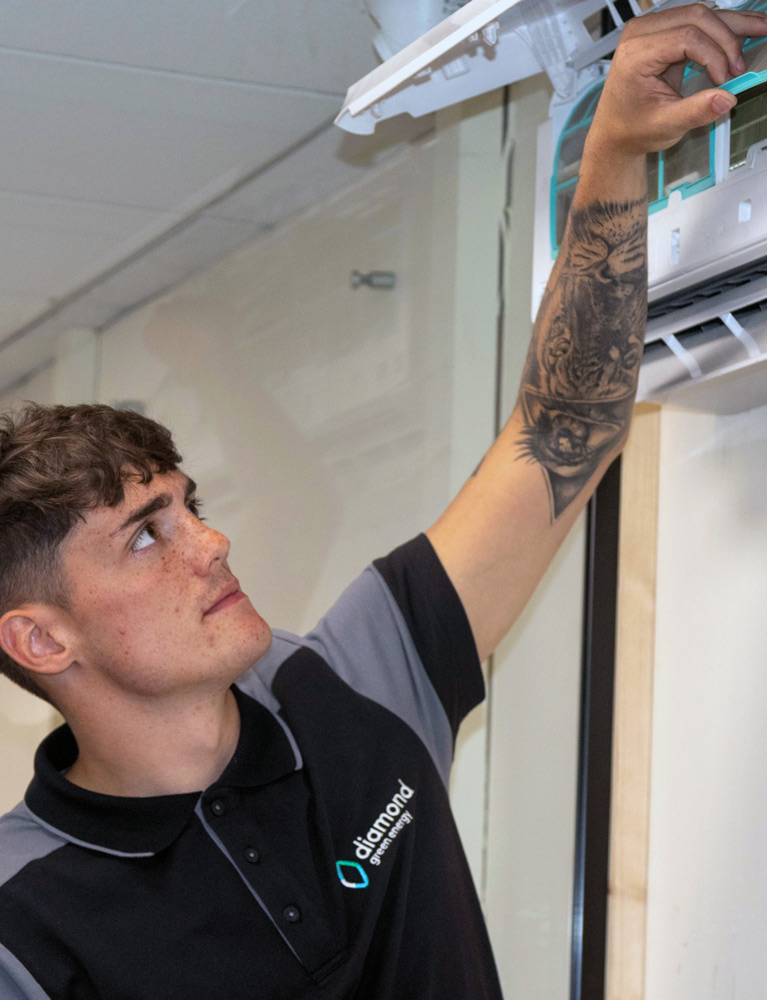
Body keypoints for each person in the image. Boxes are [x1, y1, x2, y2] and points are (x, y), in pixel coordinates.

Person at [1, 6, 764, 997]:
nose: (211, 542)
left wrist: (611, 147)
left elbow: (564, 428)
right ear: (43, 640)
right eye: (146, 536)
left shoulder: (355, 684)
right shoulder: (26, 927)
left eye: (188, 504)